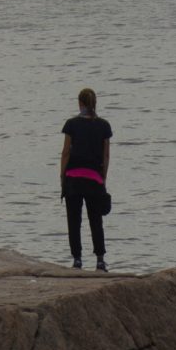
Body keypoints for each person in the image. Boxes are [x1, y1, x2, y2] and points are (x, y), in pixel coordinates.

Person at [60, 87, 111, 271]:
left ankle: (77, 260)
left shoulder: (71, 124)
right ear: (95, 103)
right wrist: (103, 178)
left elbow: (66, 152)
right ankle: (100, 259)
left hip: (73, 178)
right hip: (94, 179)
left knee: (74, 220)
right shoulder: (104, 126)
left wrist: (62, 177)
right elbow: (106, 156)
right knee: (95, 220)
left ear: (80, 103)